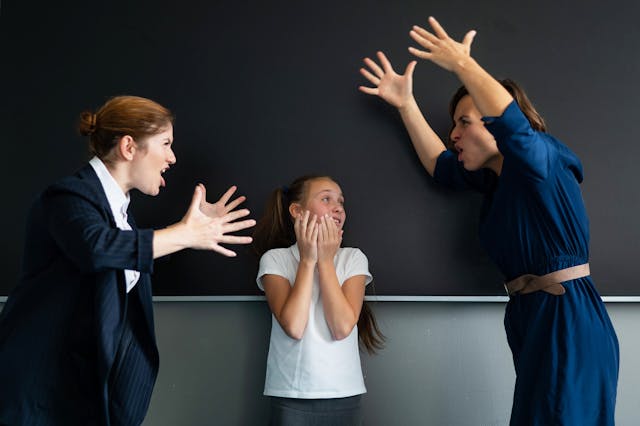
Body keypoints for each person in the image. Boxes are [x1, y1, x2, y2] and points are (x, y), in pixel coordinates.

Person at [358, 16, 619, 425]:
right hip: (532, 320)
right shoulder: (497, 182)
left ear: (495, 125)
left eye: (464, 122)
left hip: (567, 321)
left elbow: (516, 130)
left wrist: (463, 65)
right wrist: (406, 105)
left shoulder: (542, 162)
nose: (453, 135)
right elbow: (440, 166)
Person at [0, 95, 256, 426]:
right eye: (165, 143)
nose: (172, 157)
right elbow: (99, 248)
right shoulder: (66, 198)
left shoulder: (122, 216)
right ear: (129, 148)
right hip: (36, 393)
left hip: (83, 390)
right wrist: (186, 233)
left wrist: (191, 233)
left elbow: (123, 251)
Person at [252, 175, 384, 425]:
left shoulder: (353, 258)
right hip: (291, 393)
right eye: (326, 199)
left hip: (344, 392)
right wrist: (308, 259)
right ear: (296, 211)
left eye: (341, 202)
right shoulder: (275, 260)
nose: (338, 207)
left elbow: (342, 327)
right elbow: (294, 326)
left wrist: (325, 260)